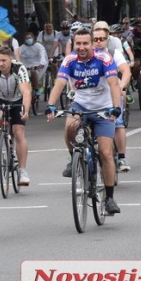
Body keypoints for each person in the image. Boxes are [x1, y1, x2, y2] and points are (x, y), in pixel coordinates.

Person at [45, 29, 122, 214]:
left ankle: (110, 198)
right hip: (80, 105)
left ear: (92, 44)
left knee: (105, 153)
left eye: (85, 43)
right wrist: (50, 105)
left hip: (103, 108)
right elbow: (60, 83)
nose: (81, 47)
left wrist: (116, 107)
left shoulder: (104, 59)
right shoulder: (70, 60)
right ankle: (74, 157)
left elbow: (113, 84)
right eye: (78, 43)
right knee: (69, 126)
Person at [0, 46, 32, 185]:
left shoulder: (19, 68)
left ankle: (22, 170)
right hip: (0, 98)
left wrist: (26, 111)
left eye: (4, 60)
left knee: (18, 132)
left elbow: (26, 92)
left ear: (11, 58)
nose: (1, 64)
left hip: (17, 99)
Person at [93, 26, 132, 172]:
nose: (98, 42)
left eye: (101, 39)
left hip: (112, 95)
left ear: (107, 40)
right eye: (95, 39)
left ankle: (122, 157)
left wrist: (121, 86)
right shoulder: (84, 54)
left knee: (118, 123)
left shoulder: (113, 53)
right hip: (92, 97)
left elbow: (126, 71)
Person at [18, 32, 49, 100]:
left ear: (33, 38)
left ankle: (36, 89)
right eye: (27, 38)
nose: (28, 40)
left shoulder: (38, 46)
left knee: (33, 72)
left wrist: (41, 64)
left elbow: (42, 55)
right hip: (26, 65)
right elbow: (17, 55)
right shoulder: (22, 47)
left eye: (30, 38)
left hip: (37, 64)